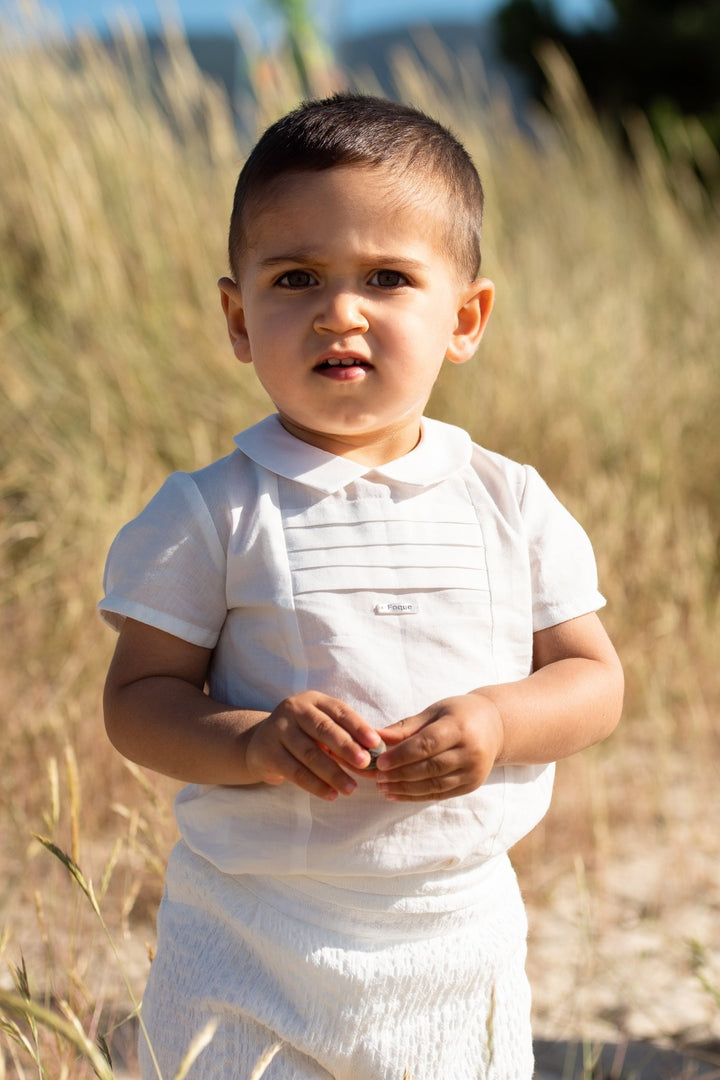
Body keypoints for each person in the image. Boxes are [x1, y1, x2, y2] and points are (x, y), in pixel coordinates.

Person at [99, 92, 623, 1080]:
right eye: (296, 278)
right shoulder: (211, 512)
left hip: (452, 928)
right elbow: (138, 702)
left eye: (387, 277)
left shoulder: (510, 504)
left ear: (465, 317)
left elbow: (594, 680)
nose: (340, 310)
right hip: (247, 927)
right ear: (238, 317)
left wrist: (499, 722)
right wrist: (253, 742)